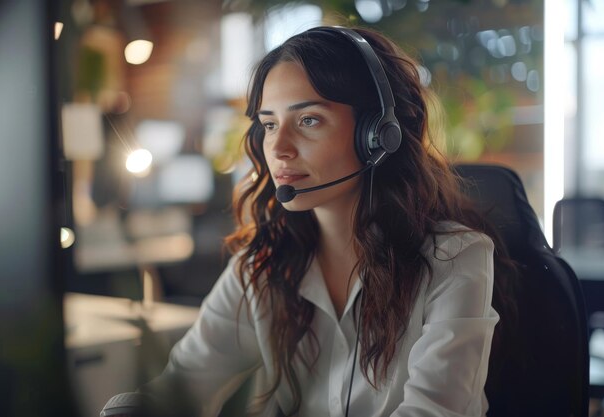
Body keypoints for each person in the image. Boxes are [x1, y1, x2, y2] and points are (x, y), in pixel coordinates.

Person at [103, 25, 516, 417]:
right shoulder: (261, 266)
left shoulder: (455, 258)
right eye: (268, 124)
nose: (279, 148)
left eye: (308, 120)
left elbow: (434, 411)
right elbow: (182, 386)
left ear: (378, 135)